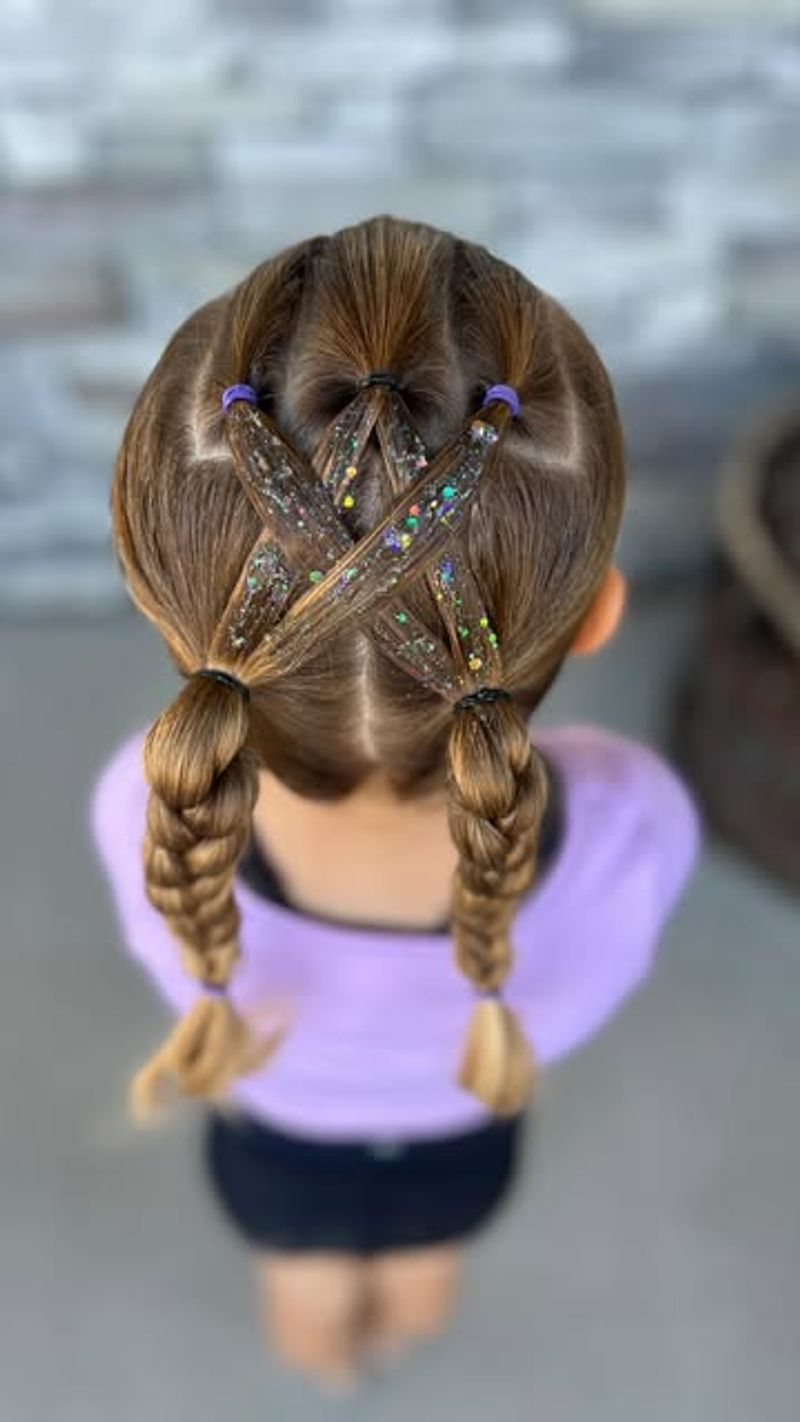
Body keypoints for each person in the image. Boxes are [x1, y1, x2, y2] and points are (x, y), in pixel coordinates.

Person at [88, 214, 699, 1392]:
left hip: (275, 1150)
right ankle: (401, 1333)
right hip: (466, 1132)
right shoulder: (635, 824)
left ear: (162, 601)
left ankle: (328, 1368)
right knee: (428, 1275)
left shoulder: (144, 807)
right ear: (598, 612)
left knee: (302, 1293)